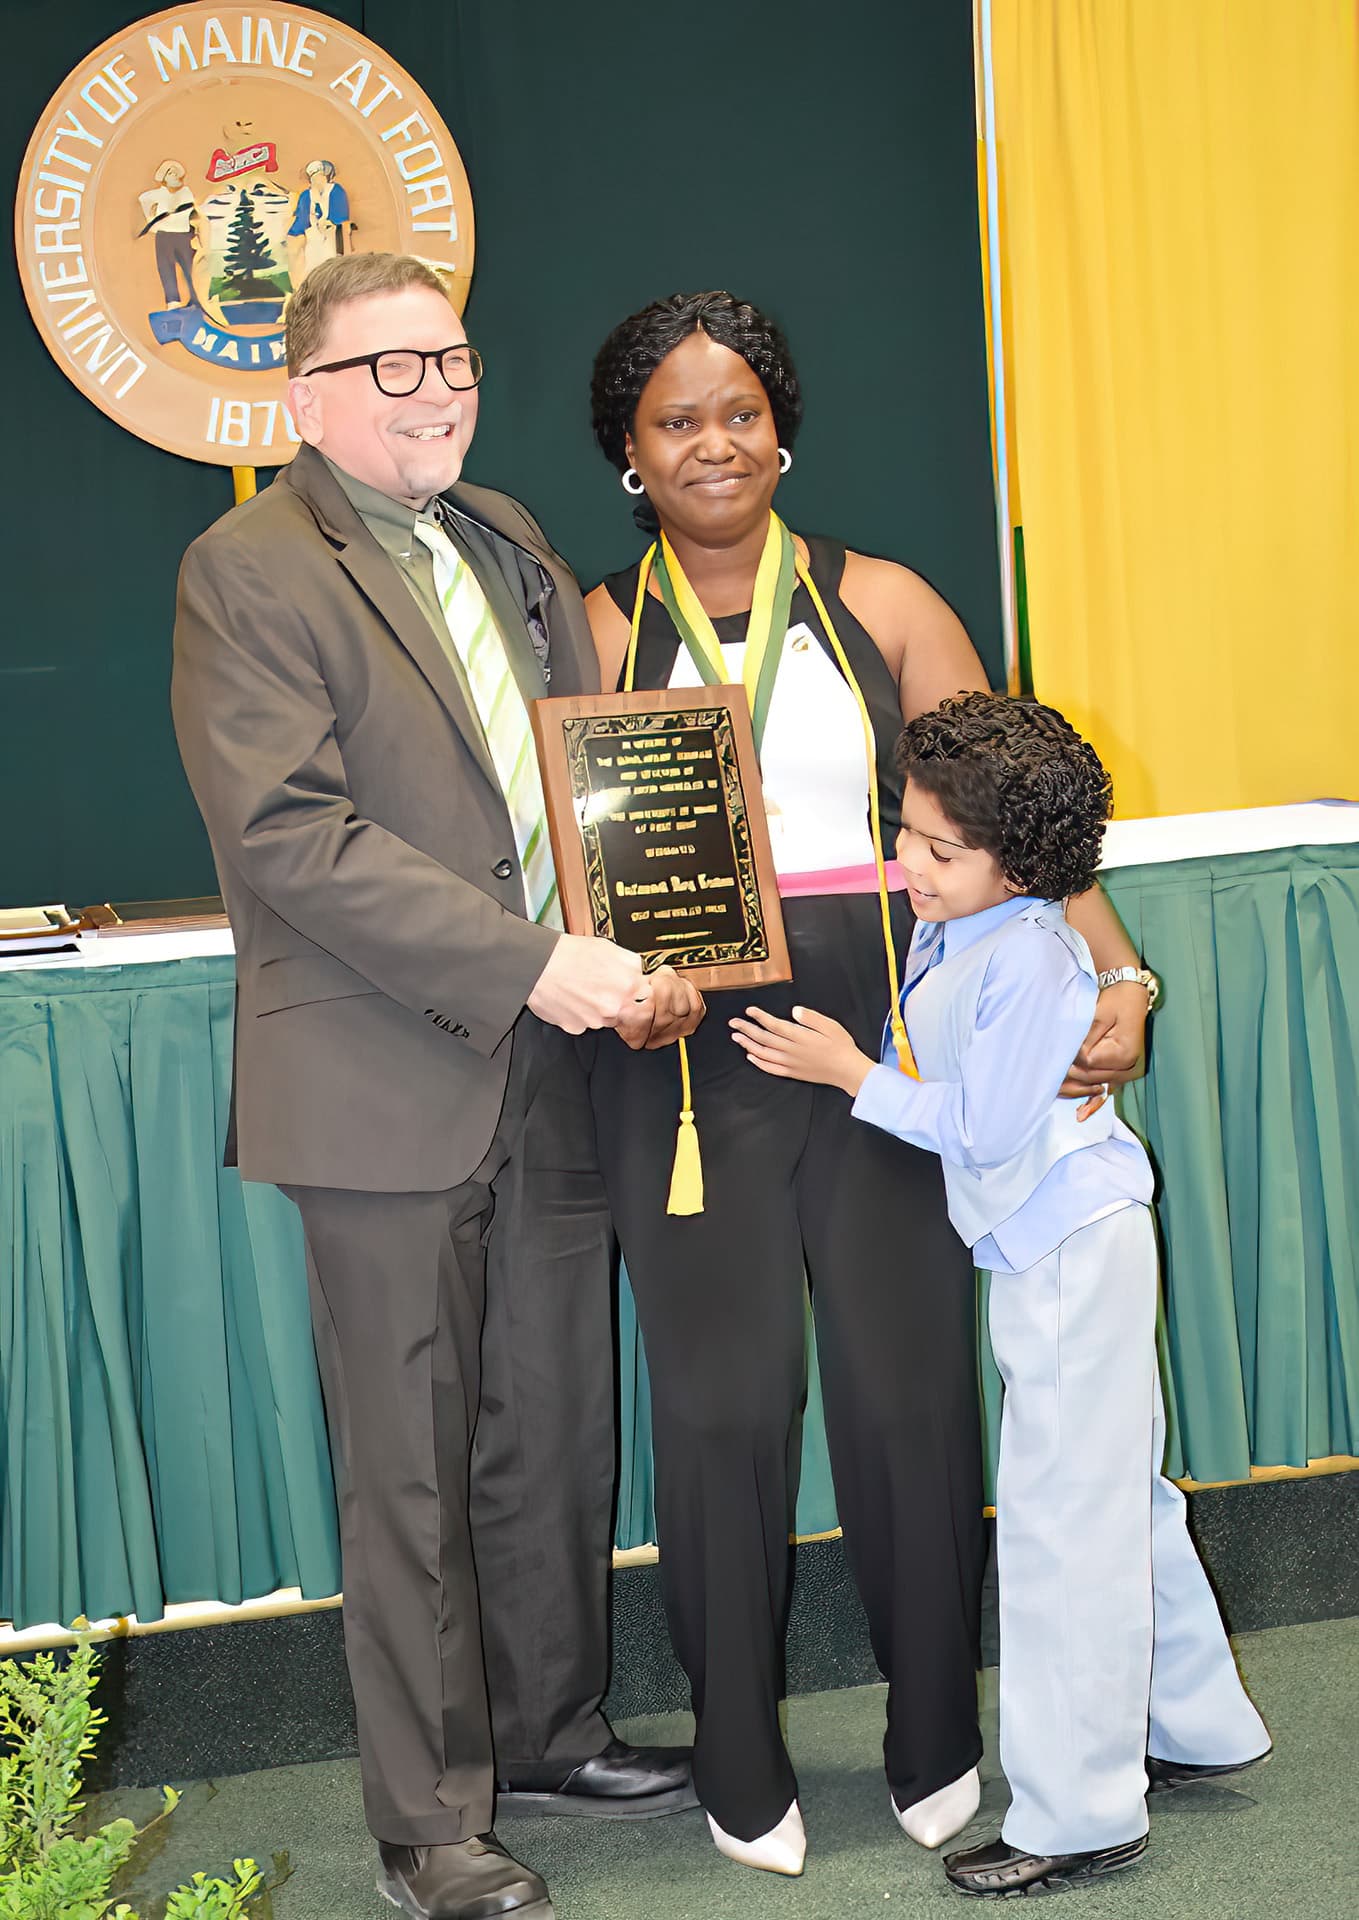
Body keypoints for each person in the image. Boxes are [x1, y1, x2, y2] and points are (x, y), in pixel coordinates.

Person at [581, 291, 1154, 1875]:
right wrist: (621, 984)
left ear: (784, 425)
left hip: (893, 1028)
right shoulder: (582, 624)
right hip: (677, 1042)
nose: (715, 441)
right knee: (717, 1407)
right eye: (675, 419)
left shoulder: (881, 600)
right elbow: (553, 862)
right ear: (628, 455)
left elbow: (1018, 825)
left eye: (740, 409)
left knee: (905, 1394)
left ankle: (929, 1733)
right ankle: (737, 1752)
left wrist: (1118, 972)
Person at [171, 252, 702, 1920]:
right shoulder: (247, 565)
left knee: (548, 1426)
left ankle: (548, 1733)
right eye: (390, 368)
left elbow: (592, 776)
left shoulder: (511, 539)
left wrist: (668, 923)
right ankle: (425, 1822)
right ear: (304, 399)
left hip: (552, 1059)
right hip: (382, 1072)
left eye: (449, 359)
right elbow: (287, 838)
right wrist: (526, 960)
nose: (433, 391)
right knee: (403, 1460)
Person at [732, 690, 1272, 1899]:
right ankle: (1192, 1724)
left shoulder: (1029, 951)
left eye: (941, 848)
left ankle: (1079, 1815)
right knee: (1111, 1496)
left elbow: (977, 1131)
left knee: (1060, 1527)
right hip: (1049, 1249)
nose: (907, 864)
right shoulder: (964, 925)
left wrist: (849, 1071)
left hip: (1071, 1254)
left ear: (1023, 861)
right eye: (905, 832)